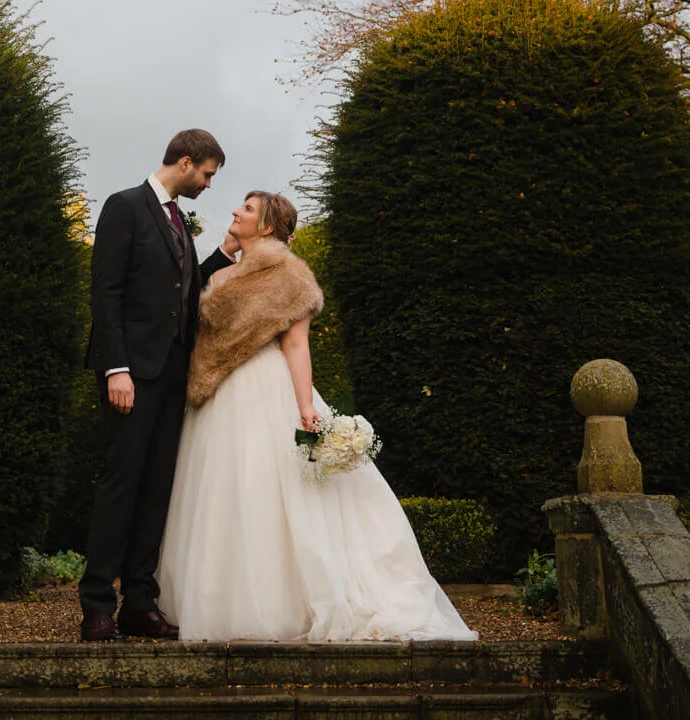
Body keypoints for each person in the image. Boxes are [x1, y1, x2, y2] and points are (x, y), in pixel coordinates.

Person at [156, 191, 477, 642]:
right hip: (217, 396)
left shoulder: (291, 277)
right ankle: (218, 599)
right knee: (220, 493)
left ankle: (281, 603)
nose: (235, 211)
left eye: (247, 209)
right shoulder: (221, 274)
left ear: (267, 226)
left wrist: (305, 406)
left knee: (266, 490)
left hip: (264, 389)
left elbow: (296, 346)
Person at [78, 128, 236, 642]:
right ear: (185, 162)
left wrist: (221, 254)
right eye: (207, 174)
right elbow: (106, 293)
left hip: (173, 374)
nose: (209, 184)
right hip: (132, 374)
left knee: (156, 490)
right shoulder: (124, 206)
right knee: (121, 485)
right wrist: (115, 368)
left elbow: (180, 294)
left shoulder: (178, 220)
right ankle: (97, 605)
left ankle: (139, 603)